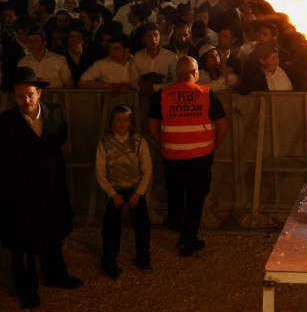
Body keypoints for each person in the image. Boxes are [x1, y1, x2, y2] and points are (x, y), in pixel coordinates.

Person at [0, 67, 82, 309]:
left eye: (30, 94)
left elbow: (58, 141)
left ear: (40, 93)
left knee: (52, 232)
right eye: (20, 96)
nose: (25, 100)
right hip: (20, 191)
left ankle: (56, 275)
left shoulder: (56, 113)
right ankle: (26, 288)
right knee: (21, 243)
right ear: (13, 96)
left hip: (51, 186)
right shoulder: (4, 123)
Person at [146, 57, 228, 256]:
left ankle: (174, 221)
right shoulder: (206, 93)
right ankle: (188, 239)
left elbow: (151, 126)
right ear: (194, 72)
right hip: (200, 155)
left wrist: (164, 143)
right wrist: (212, 147)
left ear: (177, 73)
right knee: (195, 197)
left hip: (172, 154)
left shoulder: (163, 94)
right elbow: (223, 126)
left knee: (174, 191)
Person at [95, 105, 153, 279]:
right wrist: (113, 194)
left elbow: (147, 169)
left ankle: (143, 258)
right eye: (118, 120)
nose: (121, 123)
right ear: (112, 122)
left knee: (142, 226)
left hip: (135, 190)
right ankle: (109, 261)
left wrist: (138, 193)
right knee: (111, 229)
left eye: (125, 120)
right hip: (114, 191)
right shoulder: (104, 143)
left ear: (130, 123)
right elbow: (100, 172)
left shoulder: (139, 142)